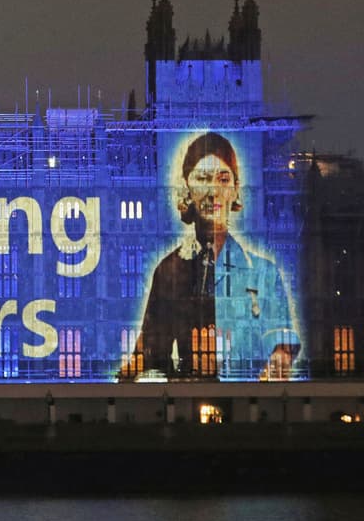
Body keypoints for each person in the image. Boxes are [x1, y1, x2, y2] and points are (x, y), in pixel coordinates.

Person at [127, 132, 299, 380]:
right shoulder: (168, 271)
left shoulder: (265, 272)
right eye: (202, 179)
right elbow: (152, 357)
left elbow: (281, 342)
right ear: (187, 187)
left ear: (235, 190)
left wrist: (277, 360)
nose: (213, 191)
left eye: (223, 179)